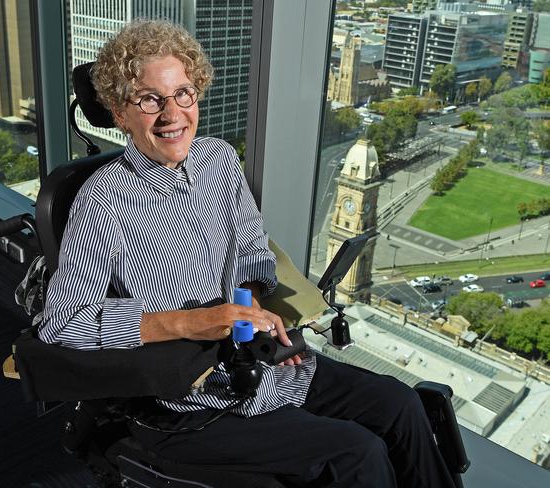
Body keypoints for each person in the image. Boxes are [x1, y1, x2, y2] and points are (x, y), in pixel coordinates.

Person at [39, 20, 455, 488]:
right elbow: (64, 323)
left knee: (400, 406)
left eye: (183, 94)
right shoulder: (103, 201)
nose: (172, 114)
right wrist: (190, 321)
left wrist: (252, 311)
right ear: (119, 112)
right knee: (357, 455)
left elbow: (255, 256)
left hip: (255, 363)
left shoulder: (218, 159)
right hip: (184, 397)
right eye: (149, 99)